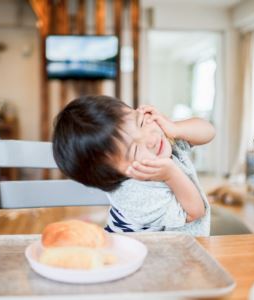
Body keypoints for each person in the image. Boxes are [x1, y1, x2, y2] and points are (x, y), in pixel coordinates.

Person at [52, 95, 215, 236]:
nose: (150, 139)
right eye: (135, 149)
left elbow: (209, 132)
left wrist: (176, 127)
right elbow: (195, 211)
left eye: (142, 123)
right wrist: (171, 175)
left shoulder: (161, 139)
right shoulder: (134, 194)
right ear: (115, 178)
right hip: (148, 258)